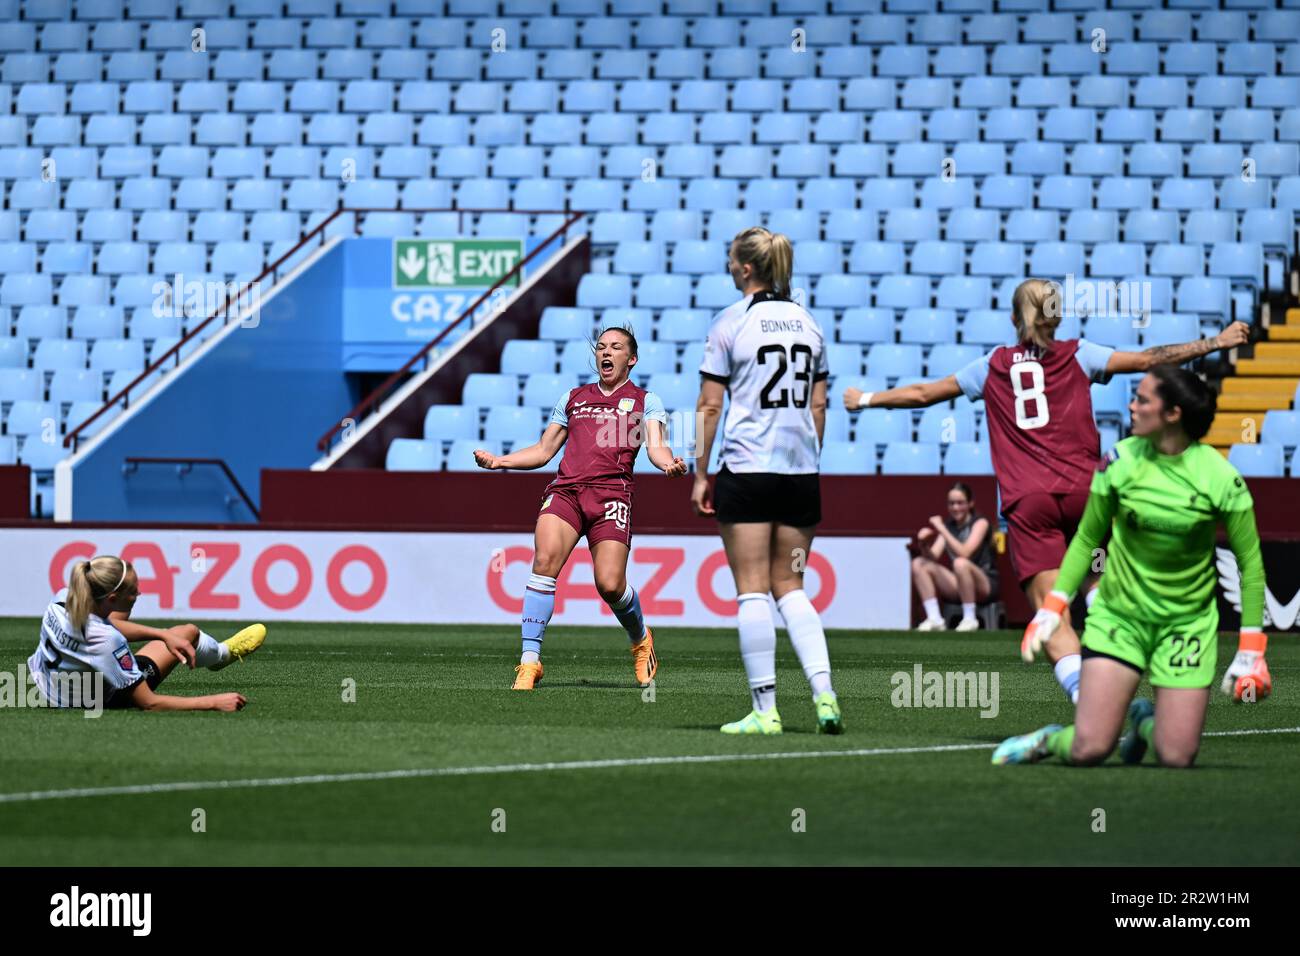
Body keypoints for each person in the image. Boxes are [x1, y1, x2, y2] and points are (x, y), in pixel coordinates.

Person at [844, 278, 1250, 703]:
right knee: (1097, 585)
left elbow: (925, 393)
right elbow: (1151, 359)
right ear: (1057, 315)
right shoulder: (1081, 354)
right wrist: (1216, 342)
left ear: (1014, 318)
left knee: (1052, 613)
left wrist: (867, 398)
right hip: (1084, 496)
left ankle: (1089, 700)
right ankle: (1152, 664)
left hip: (1030, 502)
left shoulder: (992, 365)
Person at [993, 366, 1269, 767]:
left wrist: (1251, 649)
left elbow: (1251, 565)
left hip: (1186, 626)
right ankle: (1048, 741)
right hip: (1120, 618)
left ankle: (1142, 723)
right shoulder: (1118, 460)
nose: (1131, 406)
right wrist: (1053, 607)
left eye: (1142, 399)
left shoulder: (1221, 478)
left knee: (1177, 756)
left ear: (1172, 413)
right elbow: (1087, 539)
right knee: (1090, 748)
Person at [473, 325, 687, 690]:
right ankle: (529, 663)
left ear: (631, 359)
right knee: (543, 563)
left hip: (611, 496)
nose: (606, 353)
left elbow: (655, 446)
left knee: (609, 584)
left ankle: (640, 639)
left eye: (616, 347)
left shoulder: (644, 401)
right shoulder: (574, 398)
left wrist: (668, 463)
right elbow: (543, 451)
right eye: (602, 347)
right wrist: (499, 461)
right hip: (567, 492)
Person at [690, 226, 842, 736]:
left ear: (747, 268)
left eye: (732, 261)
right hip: (801, 473)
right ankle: (824, 696)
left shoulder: (730, 323)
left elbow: (710, 405)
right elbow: (818, 405)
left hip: (749, 469)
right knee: (792, 587)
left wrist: (700, 471)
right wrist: (807, 454)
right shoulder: (810, 323)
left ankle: (766, 710)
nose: (729, 267)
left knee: (753, 590)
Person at [28, 555, 266, 712]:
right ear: (112, 598)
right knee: (187, 632)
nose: (139, 593)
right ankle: (223, 655)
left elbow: (106, 627)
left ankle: (197, 646)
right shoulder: (108, 642)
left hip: (45, 686)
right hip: (95, 699)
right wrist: (213, 702)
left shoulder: (63, 598)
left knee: (172, 636)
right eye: (132, 591)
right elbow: (149, 703)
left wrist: (162, 634)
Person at [911, 481, 999, 632]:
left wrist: (941, 528)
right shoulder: (948, 527)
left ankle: (970, 618)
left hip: (984, 585)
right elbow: (933, 558)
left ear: (970, 503)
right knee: (919, 563)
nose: (955, 508)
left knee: (960, 563)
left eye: (960, 503)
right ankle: (934, 618)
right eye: (951, 503)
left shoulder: (980, 523)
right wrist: (923, 544)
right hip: (959, 584)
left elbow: (965, 553)